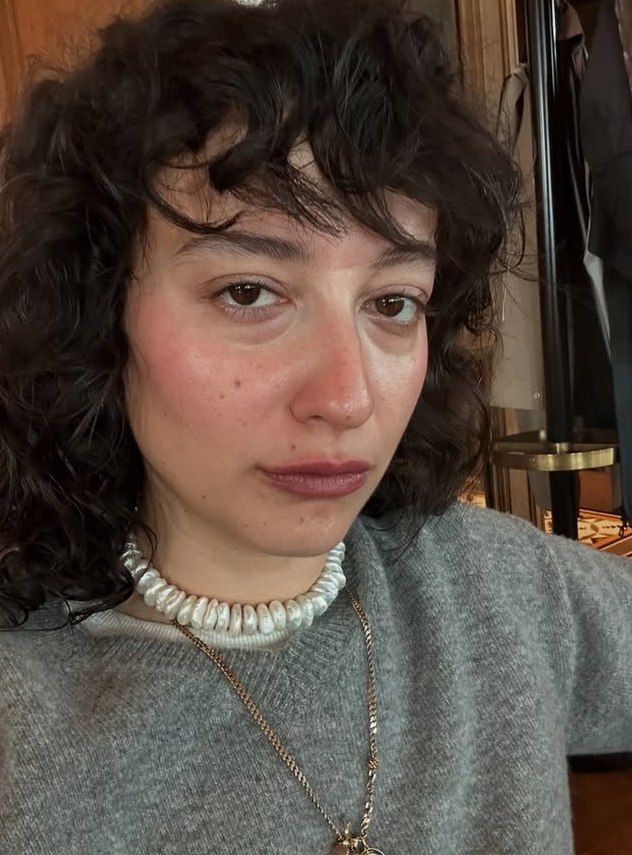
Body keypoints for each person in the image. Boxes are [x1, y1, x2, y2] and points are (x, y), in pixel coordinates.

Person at [0, 0, 629, 851]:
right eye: (249, 292)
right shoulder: (24, 726)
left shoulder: (501, 588)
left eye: (393, 302)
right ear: (98, 314)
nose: (347, 396)